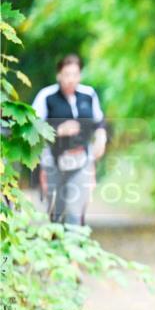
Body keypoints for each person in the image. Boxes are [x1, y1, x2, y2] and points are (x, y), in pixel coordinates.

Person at [31, 54, 107, 225]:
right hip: (52, 161)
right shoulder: (46, 96)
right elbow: (32, 127)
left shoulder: (88, 94)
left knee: (75, 211)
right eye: (67, 74)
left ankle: (75, 238)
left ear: (80, 75)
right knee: (55, 211)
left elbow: (99, 121)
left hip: (81, 159)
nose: (71, 79)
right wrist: (57, 131)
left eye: (75, 74)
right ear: (59, 75)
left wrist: (101, 138)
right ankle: (56, 239)